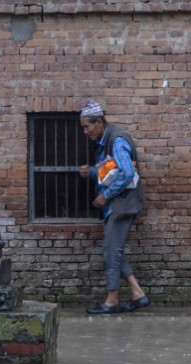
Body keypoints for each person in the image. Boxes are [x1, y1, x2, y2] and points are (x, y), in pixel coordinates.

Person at [78, 100, 150, 315]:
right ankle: (137, 294)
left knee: (111, 251)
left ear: (98, 122)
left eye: (87, 126)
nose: (85, 131)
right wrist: (92, 172)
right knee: (114, 250)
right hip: (118, 204)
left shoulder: (117, 140)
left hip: (122, 203)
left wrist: (105, 195)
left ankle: (112, 300)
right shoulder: (107, 140)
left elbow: (127, 173)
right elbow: (112, 169)